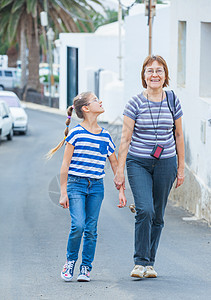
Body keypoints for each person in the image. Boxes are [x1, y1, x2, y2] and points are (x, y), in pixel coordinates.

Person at [114, 55, 185, 279]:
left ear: (165, 76)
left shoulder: (173, 100)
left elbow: (179, 135)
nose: (154, 74)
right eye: (149, 71)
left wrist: (181, 168)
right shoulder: (134, 103)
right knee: (145, 209)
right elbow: (125, 139)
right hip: (139, 162)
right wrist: (119, 170)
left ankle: (150, 263)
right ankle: (139, 262)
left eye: (159, 70)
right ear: (143, 76)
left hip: (166, 162)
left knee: (158, 215)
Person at [47, 91, 126, 282]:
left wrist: (121, 191)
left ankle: (86, 268)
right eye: (95, 100)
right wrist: (63, 192)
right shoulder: (76, 133)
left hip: (96, 187)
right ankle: (70, 262)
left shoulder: (106, 136)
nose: (100, 101)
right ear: (86, 108)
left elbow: (115, 165)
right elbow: (65, 165)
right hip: (76, 184)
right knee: (78, 225)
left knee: (91, 229)